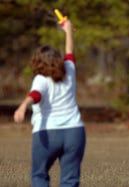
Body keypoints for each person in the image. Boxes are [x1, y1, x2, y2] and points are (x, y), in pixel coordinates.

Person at [14, 20, 86, 186]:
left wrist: (23, 106)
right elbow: (69, 51)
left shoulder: (41, 79)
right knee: (70, 180)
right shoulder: (69, 69)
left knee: (39, 176)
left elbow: (36, 95)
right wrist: (68, 30)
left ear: (37, 61)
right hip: (75, 132)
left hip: (48, 132)